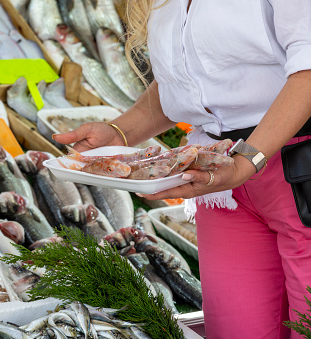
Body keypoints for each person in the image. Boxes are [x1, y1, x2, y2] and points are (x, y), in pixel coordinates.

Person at [52, 1, 311, 338]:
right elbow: (182, 84)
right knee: (236, 329)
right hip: (218, 179)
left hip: (297, 172)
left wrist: (247, 159)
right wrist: (118, 132)